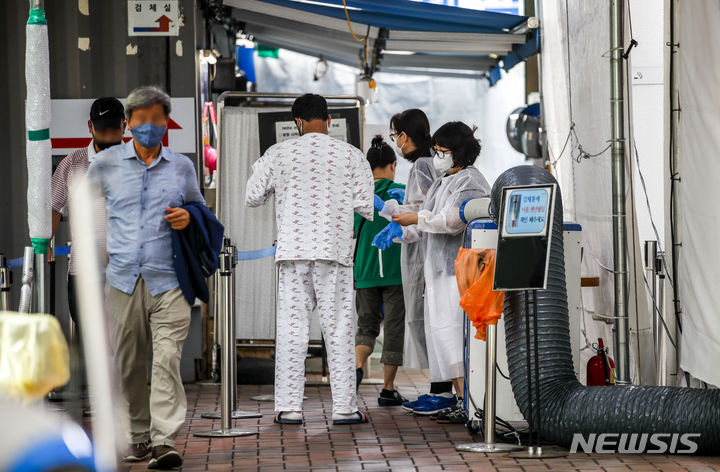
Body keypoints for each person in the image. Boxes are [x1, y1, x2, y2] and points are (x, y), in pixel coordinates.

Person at [87, 86, 205, 469]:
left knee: (167, 358)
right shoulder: (104, 165)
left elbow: (200, 211)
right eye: (141, 119)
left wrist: (189, 217)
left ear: (166, 123)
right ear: (128, 123)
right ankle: (137, 436)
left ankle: (163, 440)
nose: (149, 126)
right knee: (129, 362)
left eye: (157, 118)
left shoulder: (182, 166)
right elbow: (83, 210)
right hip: (121, 280)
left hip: (170, 280)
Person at [245, 93, 374, 425]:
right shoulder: (351, 155)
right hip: (334, 253)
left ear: (297, 123)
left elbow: (252, 195)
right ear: (329, 120)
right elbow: (365, 204)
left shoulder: (278, 153)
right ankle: (345, 408)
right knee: (340, 328)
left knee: (292, 329)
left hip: (293, 254)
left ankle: (289, 408)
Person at [375, 121, 490, 424]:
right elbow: (427, 221)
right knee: (442, 340)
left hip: (458, 274)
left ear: (460, 152)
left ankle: (473, 404)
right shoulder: (443, 181)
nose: (437, 156)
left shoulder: (470, 181)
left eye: (442, 151)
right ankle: (463, 401)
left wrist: (416, 216)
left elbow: (453, 221)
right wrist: (395, 216)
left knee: (455, 339)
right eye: (436, 150)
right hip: (438, 274)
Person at [382, 109, 458, 416]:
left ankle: (442, 391)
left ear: (404, 135)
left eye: (395, 135)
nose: (396, 143)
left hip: (427, 255)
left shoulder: (422, 166)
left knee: (428, 321)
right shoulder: (431, 164)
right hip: (435, 252)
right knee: (435, 322)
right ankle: (441, 389)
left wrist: (400, 225)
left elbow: (424, 214)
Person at [51, 97, 125, 326]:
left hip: (128, 271)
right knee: (88, 345)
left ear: (125, 124)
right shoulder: (72, 164)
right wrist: (41, 246)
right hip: (84, 271)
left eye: (114, 129)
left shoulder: (137, 162)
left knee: (126, 344)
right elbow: (52, 208)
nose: (109, 136)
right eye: (103, 130)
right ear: (90, 127)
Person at [354, 136, 407, 406]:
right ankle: (388, 389)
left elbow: (351, 231)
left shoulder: (359, 196)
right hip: (396, 273)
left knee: (366, 325)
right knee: (394, 329)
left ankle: (357, 367)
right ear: (393, 165)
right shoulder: (402, 192)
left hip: (364, 271)